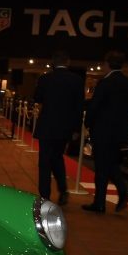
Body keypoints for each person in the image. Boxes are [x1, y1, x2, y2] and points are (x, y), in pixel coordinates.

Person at [82, 51, 128, 213]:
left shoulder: (105, 83)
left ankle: (100, 203)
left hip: (103, 131)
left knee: (101, 166)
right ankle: (121, 194)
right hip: (121, 132)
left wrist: (88, 123)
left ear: (107, 63)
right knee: (111, 164)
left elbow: (95, 106)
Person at [33, 51, 85, 205]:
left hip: (47, 126)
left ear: (53, 63)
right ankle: (63, 190)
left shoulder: (45, 79)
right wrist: (76, 129)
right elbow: (79, 107)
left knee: (44, 162)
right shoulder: (76, 80)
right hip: (65, 127)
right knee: (57, 158)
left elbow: (37, 97)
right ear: (67, 62)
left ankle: (44, 196)